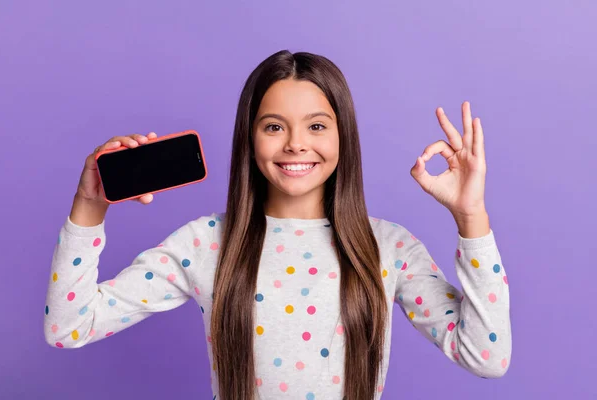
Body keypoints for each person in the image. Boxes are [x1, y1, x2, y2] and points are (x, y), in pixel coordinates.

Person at [44, 50, 511, 400]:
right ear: (249, 139)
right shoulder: (206, 243)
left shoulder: (388, 247)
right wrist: (89, 205)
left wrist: (471, 218)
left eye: (316, 126)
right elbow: (68, 328)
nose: (294, 145)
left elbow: (487, 357)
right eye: (273, 127)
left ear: (342, 136)